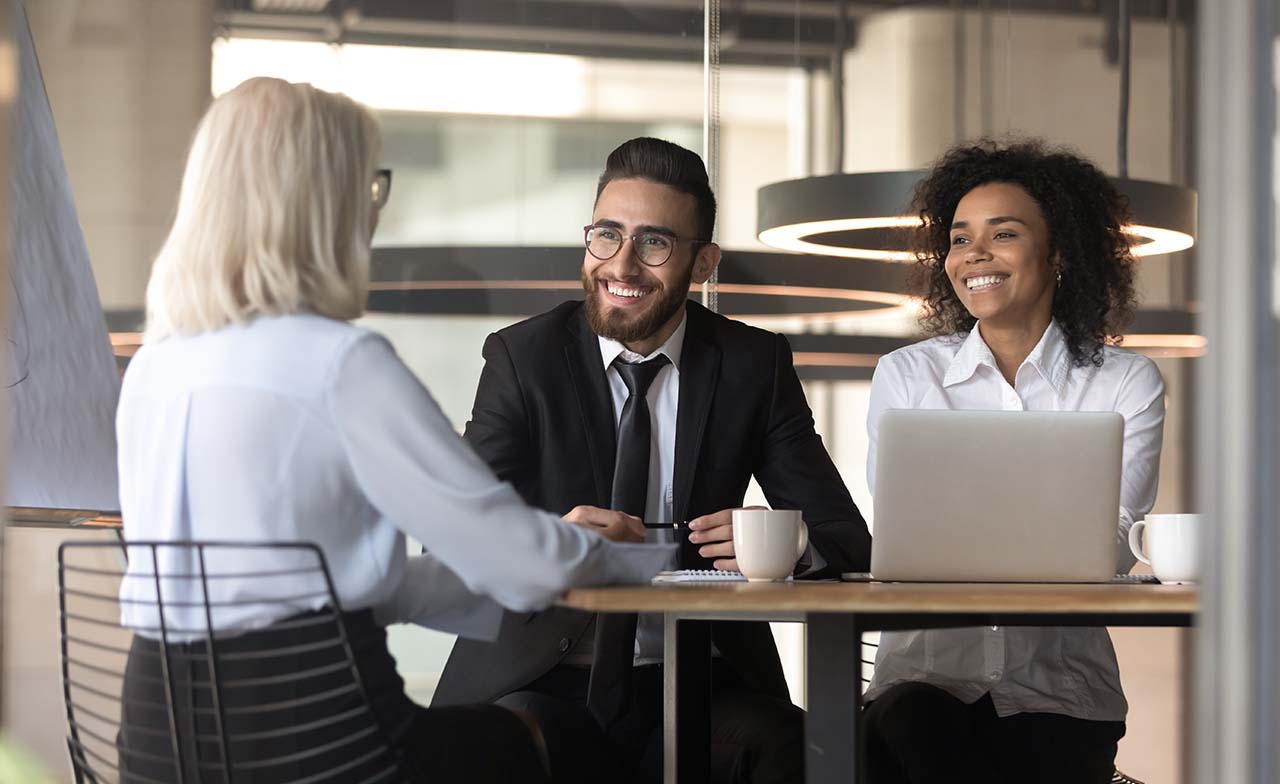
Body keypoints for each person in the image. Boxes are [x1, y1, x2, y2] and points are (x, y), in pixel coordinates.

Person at [114, 78, 674, 783]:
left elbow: (328, 588)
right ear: (326, 202)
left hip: (154, 742)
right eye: (370, 186)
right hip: (322, 745)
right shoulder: (339, 364)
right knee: (566, 740)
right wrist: (632, 560)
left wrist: (541, 561)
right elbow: (515, 556)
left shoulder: (156, 366)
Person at [432, 137, 874, 784]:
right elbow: (458, 529)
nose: (623, 265)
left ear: (704, 263)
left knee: (793, 747)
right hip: (543, 675)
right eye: (606, 236)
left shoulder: (754, 366)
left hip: (701, 681)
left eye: (655, 243)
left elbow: (844, 540)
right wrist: (554, 541)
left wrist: (787, 545)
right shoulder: (523, 358)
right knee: (500, 753)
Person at [862, 139, 1166, 784]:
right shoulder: (907, 376)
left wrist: (971, 547)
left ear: (1058, 253)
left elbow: (1107, 548)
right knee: (918, 725)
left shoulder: (1125, 382)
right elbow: (905, 540)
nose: (974, 253)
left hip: (1062, 693)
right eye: (959, 237)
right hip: (920, 686)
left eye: (1003, 233)